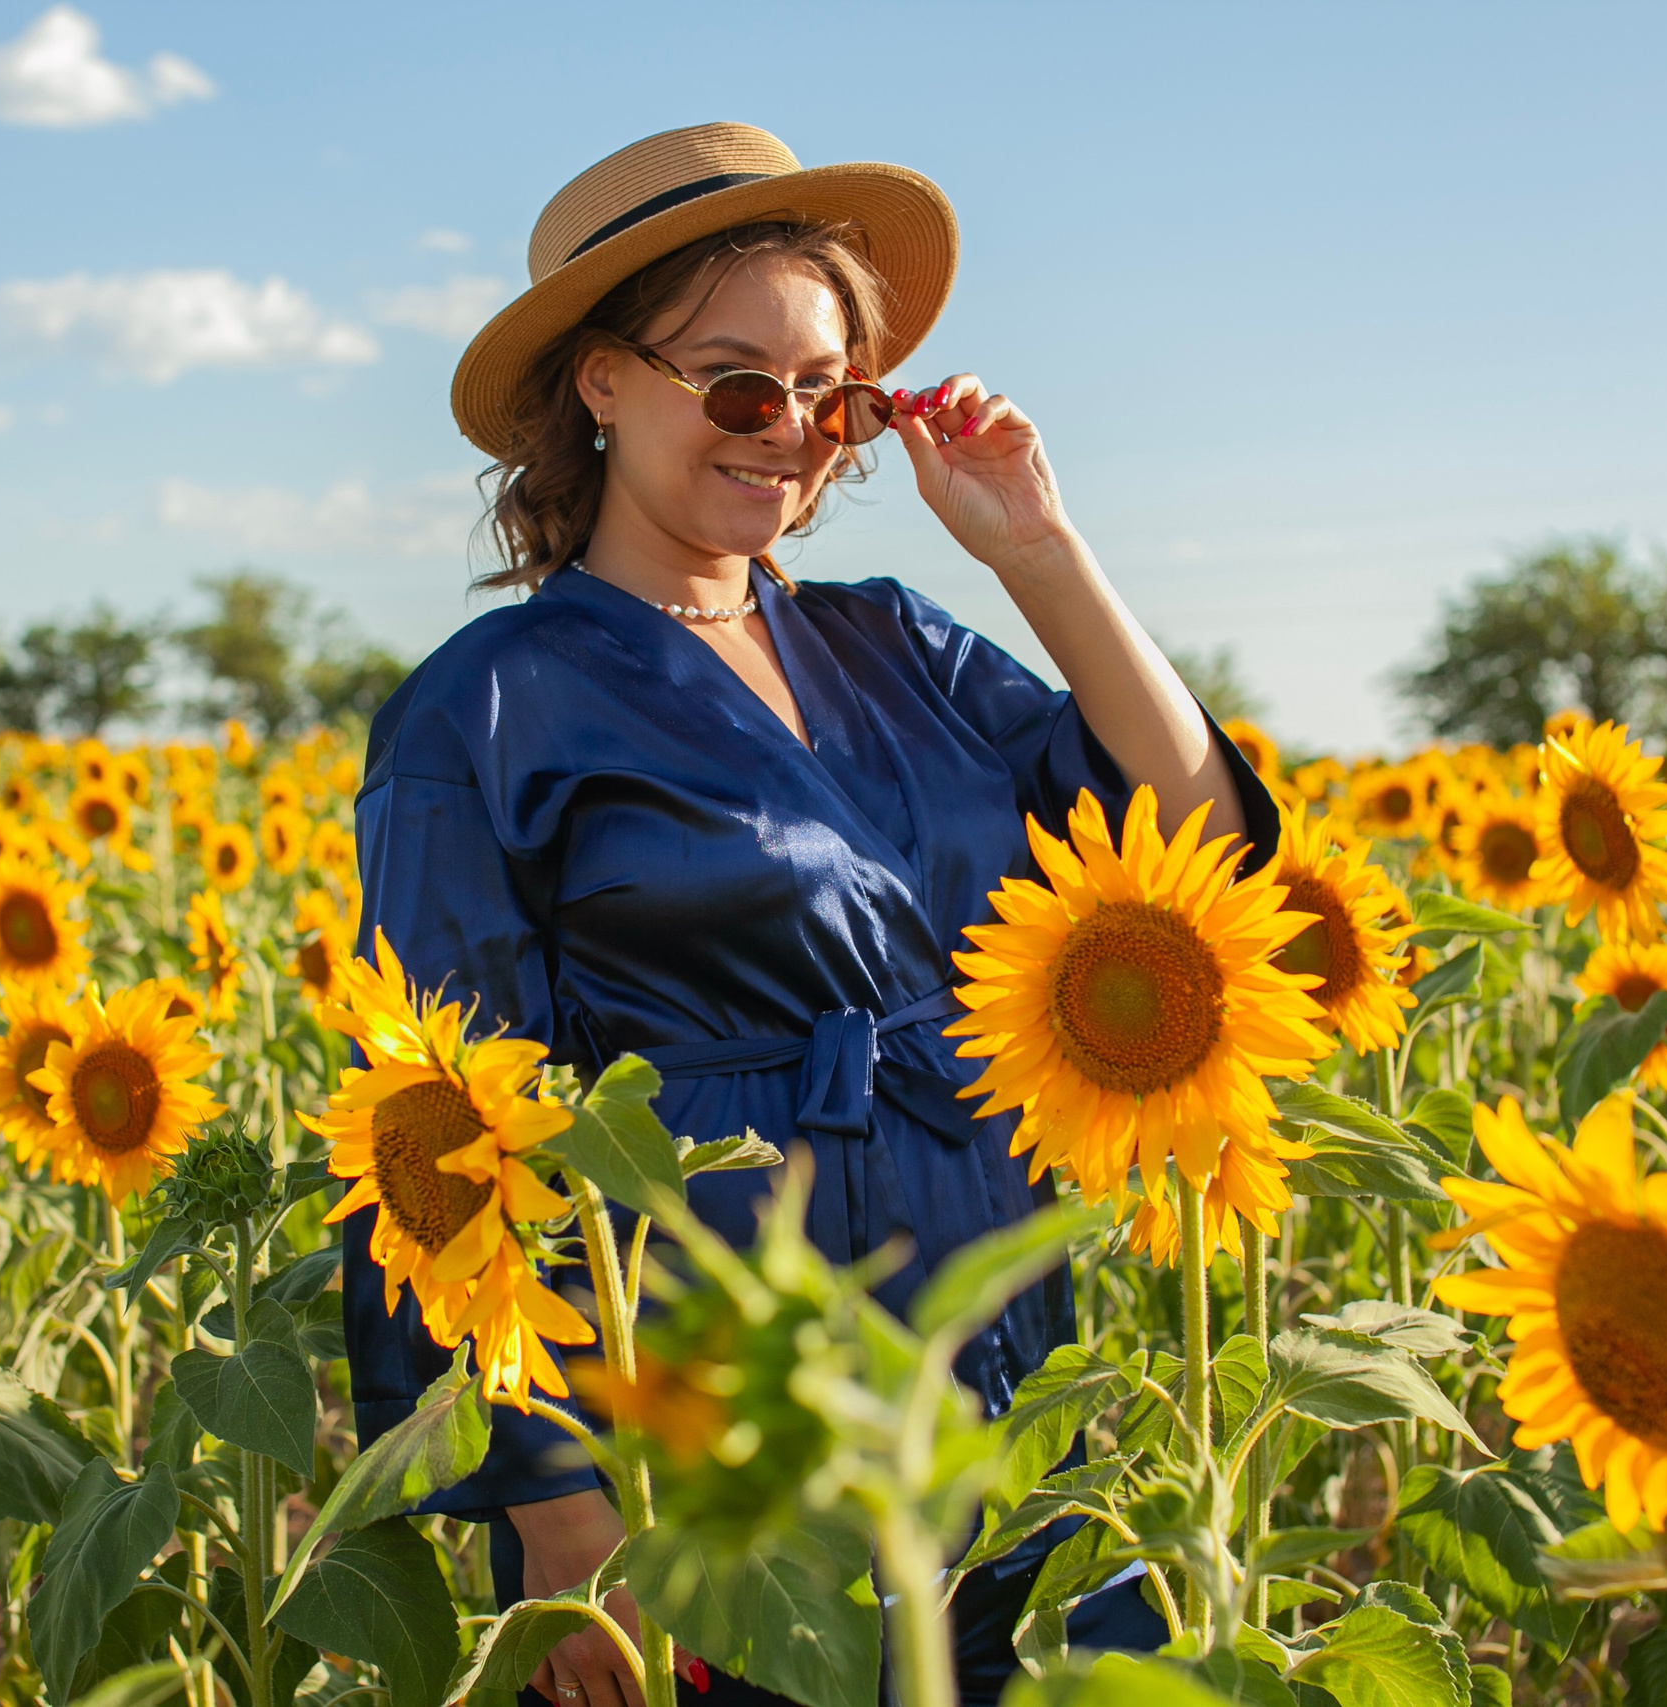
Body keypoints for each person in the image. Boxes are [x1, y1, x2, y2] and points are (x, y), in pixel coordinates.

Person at [341, 122, 1277, 1707]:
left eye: (829, 396)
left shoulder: (894, 640)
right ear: (603, 383)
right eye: (738, 384)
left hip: (996, 1367)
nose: (790, 434)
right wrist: (559, 1518)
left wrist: (1039, 546)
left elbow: (1187, 834)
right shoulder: (486, 708)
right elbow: (446, 1128)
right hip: (708, 1429)